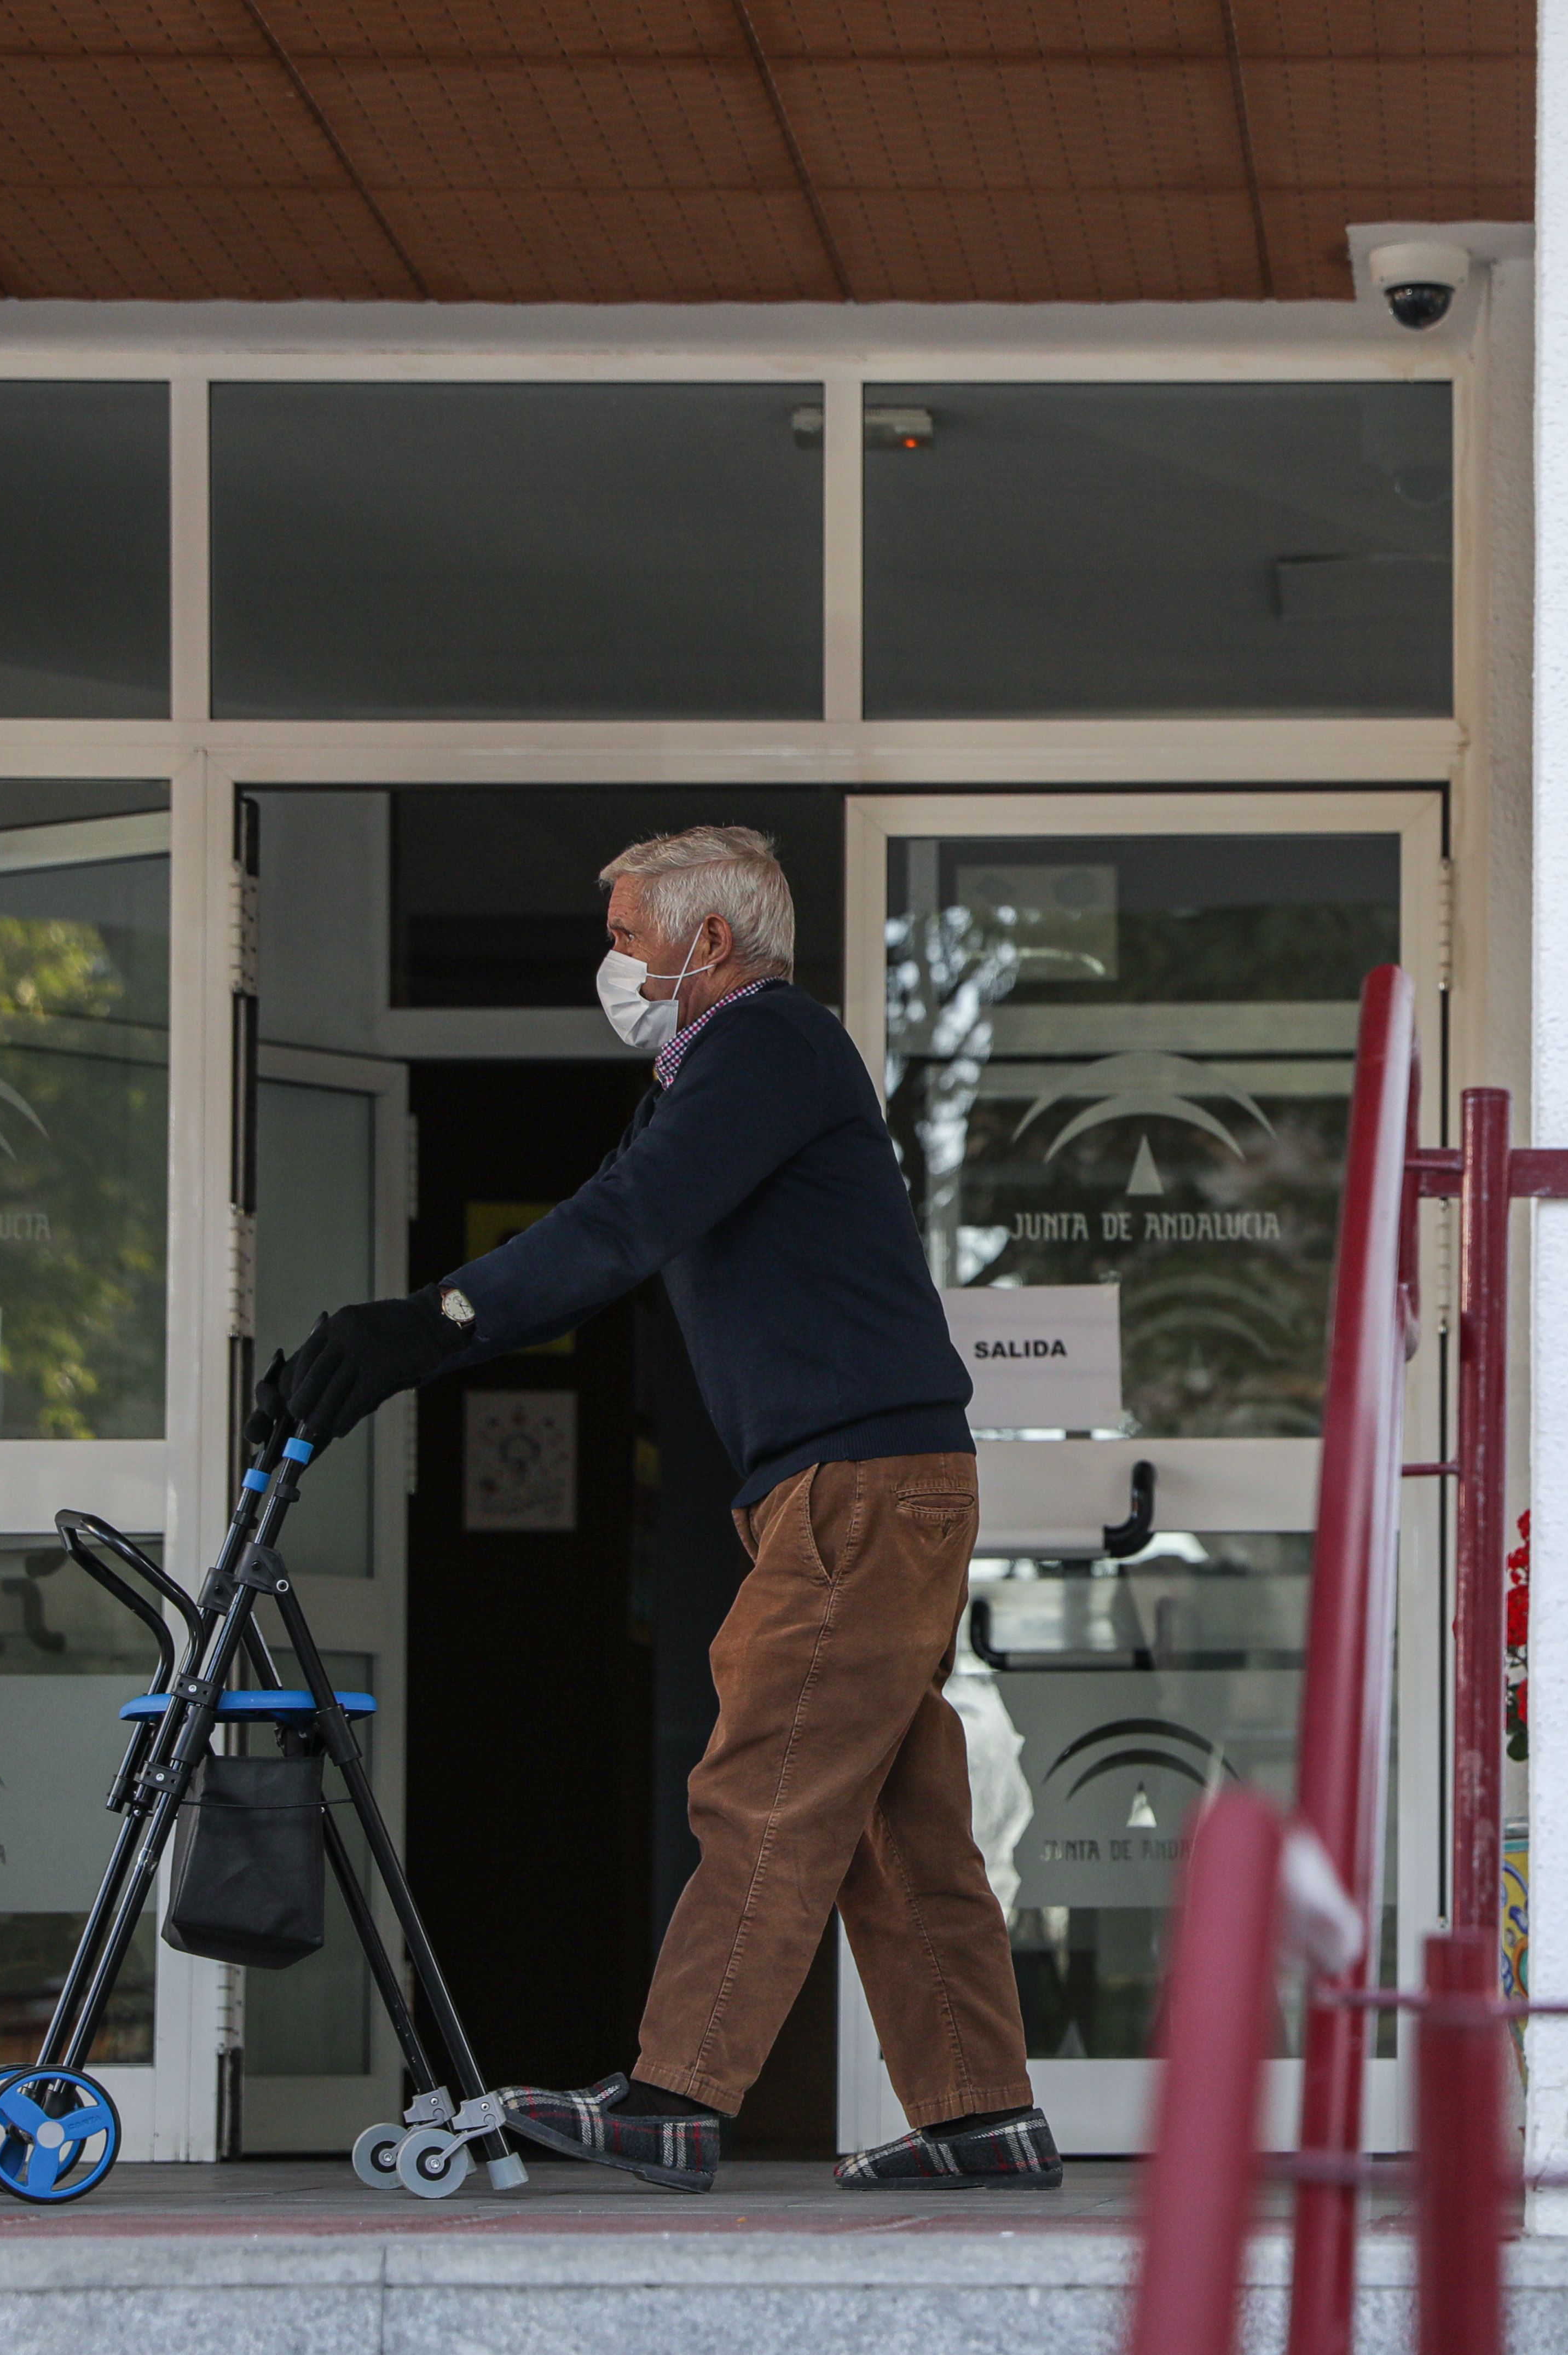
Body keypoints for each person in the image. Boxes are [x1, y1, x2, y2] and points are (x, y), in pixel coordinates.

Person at [267, 823, 1051, 2195]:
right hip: (864, 1483)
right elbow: (624, 1214)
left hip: (857, 1487)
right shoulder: (732, 1066)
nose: (611, 962)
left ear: (708, 943)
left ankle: (677, 2093)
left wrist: (430, 1319)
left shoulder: (768, 1044)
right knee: (891, 1816)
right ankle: (982, 2114)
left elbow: (623, 1223)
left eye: (628, 935)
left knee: (762, 1783)